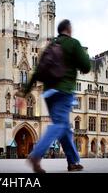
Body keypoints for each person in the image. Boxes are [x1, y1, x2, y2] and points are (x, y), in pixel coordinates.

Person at [23, 19, 91, 173]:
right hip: (64, 91)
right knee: (59, 125)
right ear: (69, 29)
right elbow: (86, 66)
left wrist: (24, 93)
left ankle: (73, 161)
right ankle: (36, 154)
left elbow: (37, 72)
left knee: (65, 128)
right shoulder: (72, 44)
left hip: (48, 93)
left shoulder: (50, 46)